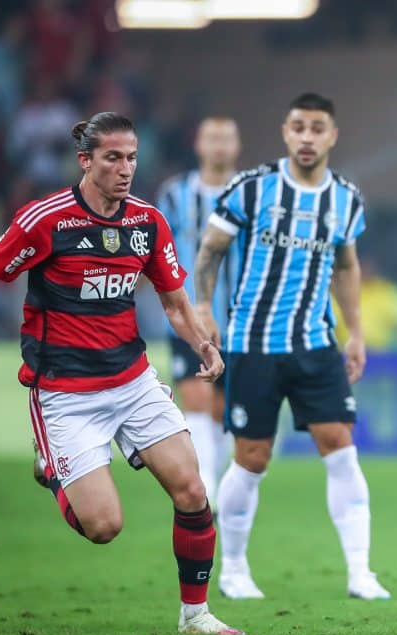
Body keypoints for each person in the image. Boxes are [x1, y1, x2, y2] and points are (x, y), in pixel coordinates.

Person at [0, 112, 242, 635]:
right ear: (85, 161)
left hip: (131, 381)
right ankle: (53, 470)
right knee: (105, 527)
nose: (125, 168)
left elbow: (175, 303)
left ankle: (195, 615)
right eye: (113, 157)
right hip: (64, 394)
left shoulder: (146, 223)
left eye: (132, 157)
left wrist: (201, 342)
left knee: (192, 491)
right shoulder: (47, 221)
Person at [194, 92, 390, 602]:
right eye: (298, 127)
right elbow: (210, 250)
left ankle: (360, 573)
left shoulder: (345, 198)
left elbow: (346, 267)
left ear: (332, 135)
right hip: (253, 344)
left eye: (317, 127)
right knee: (252, 457)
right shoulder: (252, 188)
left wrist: (356, 334)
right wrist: (202, 307)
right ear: (286, 132)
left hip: (316, 344)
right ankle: (233, 568)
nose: (307, 137)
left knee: (341, 450)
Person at [155, 116, 241, 506]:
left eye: (226, 139)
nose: (219, 146)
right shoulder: (174, 196)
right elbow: (155, 251)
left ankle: (214, 480)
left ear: (237, 146)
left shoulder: (251, 194)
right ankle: (205, 485)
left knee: (223, 412)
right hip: (188, 319)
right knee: (196, 400)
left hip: (241, 322)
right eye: (212, 138)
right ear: (199, 145)